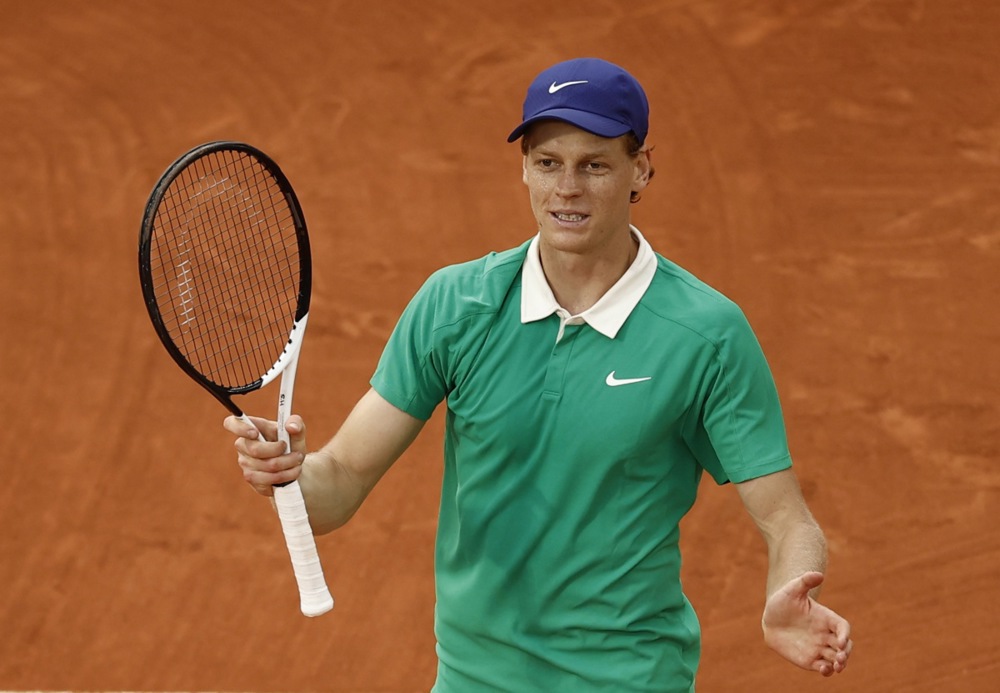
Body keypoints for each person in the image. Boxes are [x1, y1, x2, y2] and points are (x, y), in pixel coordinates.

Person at [226, 57, 852, 691]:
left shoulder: (706, 335)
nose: (567, 189)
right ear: (524, 167)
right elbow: (342, 482)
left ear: (641, 169)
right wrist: (289, 477)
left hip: (629, 679)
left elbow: (787, 518)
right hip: (472, 680)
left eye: (595, 165)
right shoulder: (455, 307)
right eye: (548, 163)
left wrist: (786, 590)